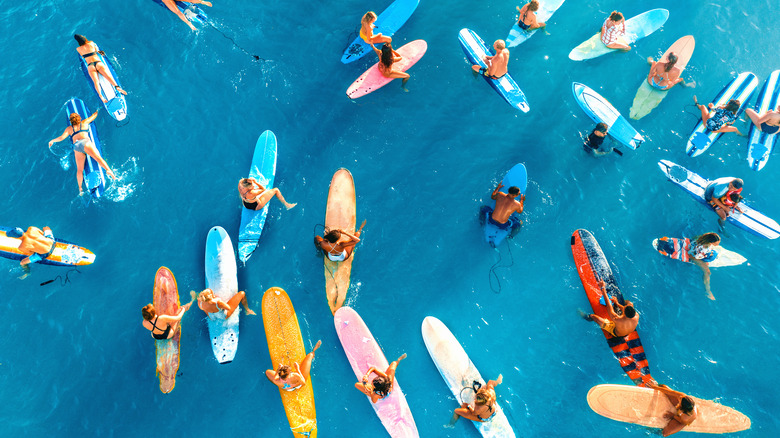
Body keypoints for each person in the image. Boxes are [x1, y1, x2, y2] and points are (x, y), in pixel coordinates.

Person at [48, 110, 117, 195]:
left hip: (77, 146)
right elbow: (93, 116)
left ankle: (80, 188)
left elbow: (61, 138)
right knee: (98, 158)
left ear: (71, 121)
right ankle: (108, 170)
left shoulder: (69, 129)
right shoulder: (84, 123)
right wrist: (97, 111)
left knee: (80, 169)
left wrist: (52, 141)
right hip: (86, 143)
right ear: (79, 118)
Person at [73, 35, 127, 103]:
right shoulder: (91, 43)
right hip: (98, 63)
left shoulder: (78, 49)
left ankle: (101, 96)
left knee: (96, 82)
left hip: (90, 66)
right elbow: (96, 50)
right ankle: (117, 87)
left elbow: (83, 57)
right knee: (108, 76)